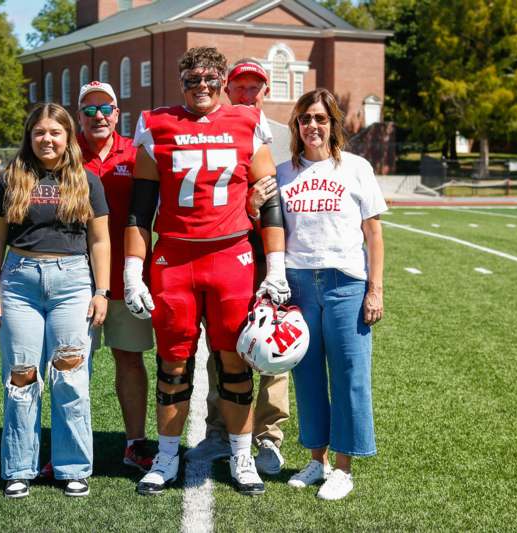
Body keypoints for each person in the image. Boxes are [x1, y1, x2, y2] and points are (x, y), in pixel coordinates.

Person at [124, 47, 289, 496]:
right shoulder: (156, 123)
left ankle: (240, 457)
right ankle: (166, 457)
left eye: (210, 78)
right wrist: (132, 272)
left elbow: (269, 199)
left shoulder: (246, 123)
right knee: (172, 367)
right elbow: (140, 211)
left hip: (231, 257)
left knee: (235, 365)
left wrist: (274, 267)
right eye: (193, 79)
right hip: (174, 260)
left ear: (222, 81)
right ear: (181, 82)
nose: (202, 86)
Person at [0, 103, 110, 499]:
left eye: (55, 132)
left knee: (70, 376)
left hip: (72, 283)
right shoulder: (10, 180)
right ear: (29, 136)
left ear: (68, 137)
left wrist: (101, 291)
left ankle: (73, 467)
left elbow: (100, 239)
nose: (47, 139)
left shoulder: (87, 181)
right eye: (39, 132)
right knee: (22, 376)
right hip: (19, 283)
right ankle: (20, 467)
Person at [277, 88, 386, 500]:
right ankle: (315, 459)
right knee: (305, 377)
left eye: (321, 119)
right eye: (306, 119)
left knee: (348, 376)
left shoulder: (356, 168)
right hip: (299, 285)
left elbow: (373, 232)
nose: (313, 126)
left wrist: (374, 289)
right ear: (297, 126)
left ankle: (343, 467)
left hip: (346, 283)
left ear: (333, 124)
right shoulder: (285, 172)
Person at [185, 58, 289, 476]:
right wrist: (247, 208)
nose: (247, 94)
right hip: (227, 251)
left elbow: (284, 203)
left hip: (270, 254)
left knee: (271, 346)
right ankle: (218, 431)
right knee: (224, 348)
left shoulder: (282, 136)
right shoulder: (216, 127)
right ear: (228, 90)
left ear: (265, 91)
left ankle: (268, 437)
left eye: (255, 88)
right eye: (240, 87)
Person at [76, 81, 156, 470]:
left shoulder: (136, 152)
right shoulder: (64, 151)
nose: (98, 117)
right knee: (72, 363)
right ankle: (69, 446)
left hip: (128, 276)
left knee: (129, 358)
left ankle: (135, 442)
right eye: (89, 111)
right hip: (75, 278)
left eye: (104, 108)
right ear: (79, 116)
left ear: (117, 113)